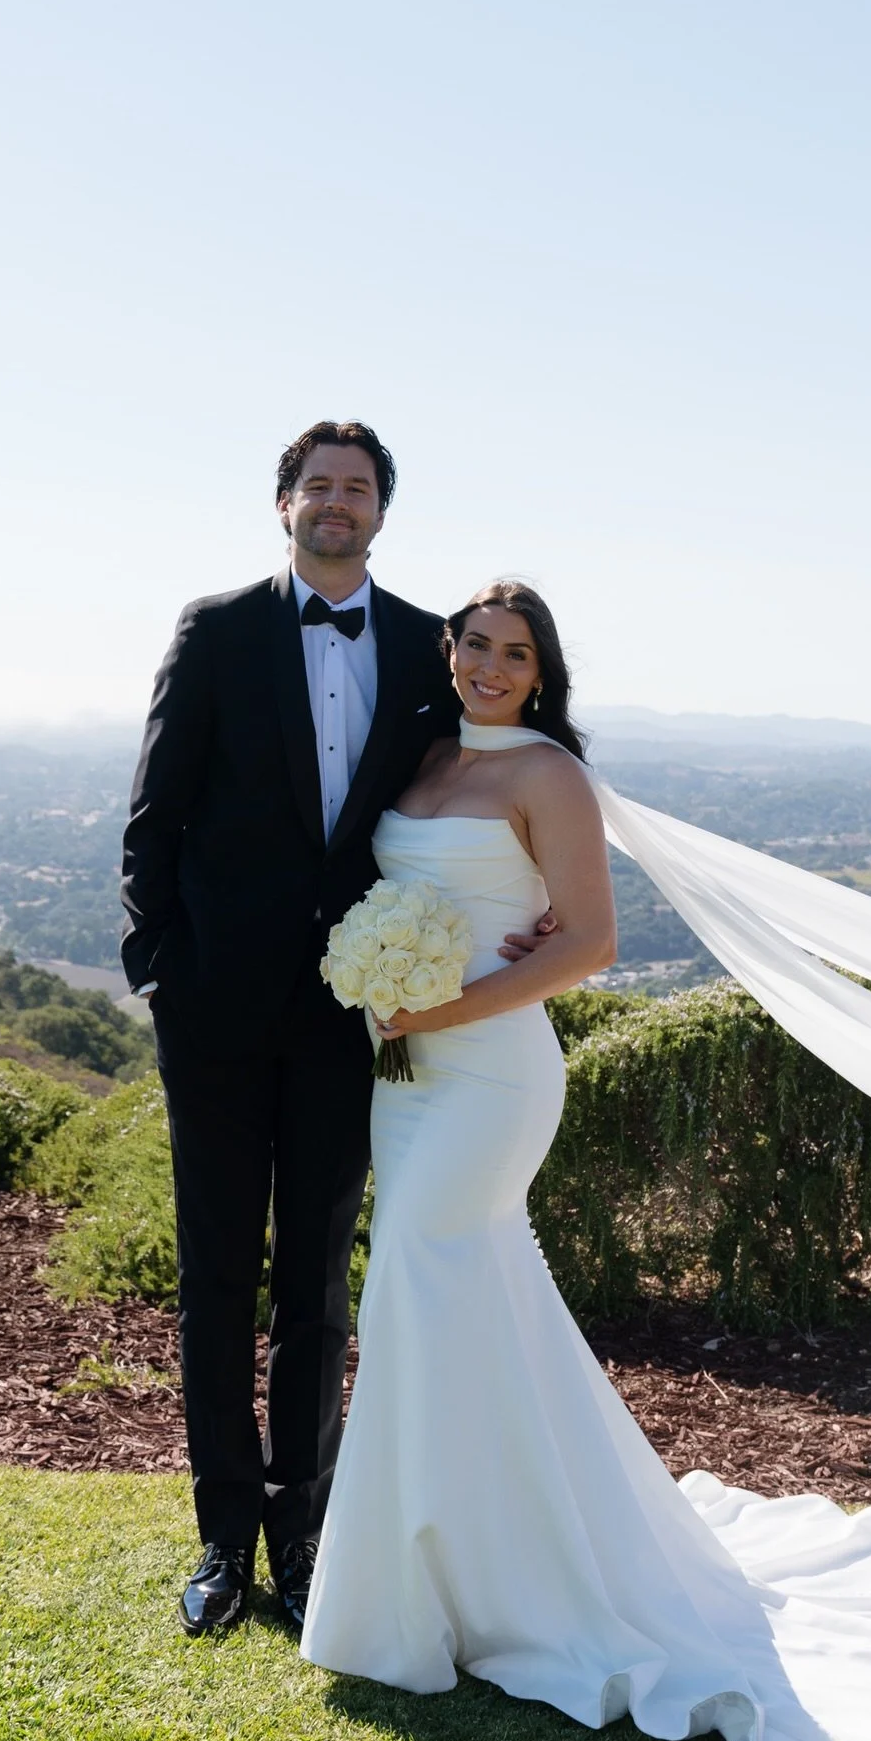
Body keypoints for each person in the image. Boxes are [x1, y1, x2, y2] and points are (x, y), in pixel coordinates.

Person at [300, 579, 871, 1741]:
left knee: (420, 1280)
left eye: (515, 654)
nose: (489, 665)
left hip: (491, 1076)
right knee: (457, 1307)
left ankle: (451, 1590)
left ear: (541, 672)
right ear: (451, 647)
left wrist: (444, 999)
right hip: (404, 1074)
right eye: (476, 643)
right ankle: (470, 1570)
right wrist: (387, 986)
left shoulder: (548, 775)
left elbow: (590, 941)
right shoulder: (419, 756)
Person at [120, 426, 553, 1637]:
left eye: (357, 488)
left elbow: (496, 780)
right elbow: (154, 817)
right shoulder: (214, 630)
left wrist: (530, 917)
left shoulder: (430, 644)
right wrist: (161, 974)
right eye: (318, 483)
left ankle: (306, 1532)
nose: (336, 503)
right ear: (282, 503)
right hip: (210, 1012)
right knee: (214, 1273)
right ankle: (220, 1538)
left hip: (351, 1021)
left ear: (381, 512)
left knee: (315, 1278)